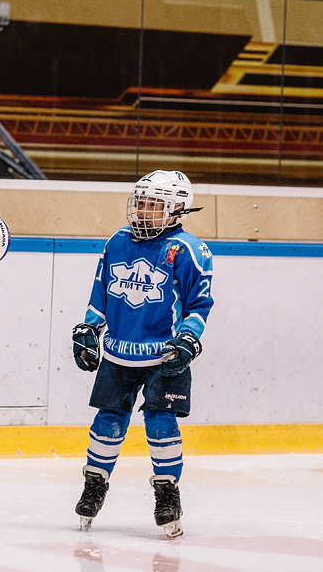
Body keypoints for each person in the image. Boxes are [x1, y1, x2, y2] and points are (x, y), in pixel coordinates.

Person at [71, 170, 214, 538]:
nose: (143, 211)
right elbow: (101, 289)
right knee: (107, 422)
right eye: (141, 202)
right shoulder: (117, 242)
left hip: (164, 356)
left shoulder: (189, 250)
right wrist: (89, 328)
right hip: (119, 353)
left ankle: (167, 492)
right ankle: (94, 484)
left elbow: (199, 304)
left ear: (176, 210)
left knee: (161, 424)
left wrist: (188, 340)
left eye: (154, 205)